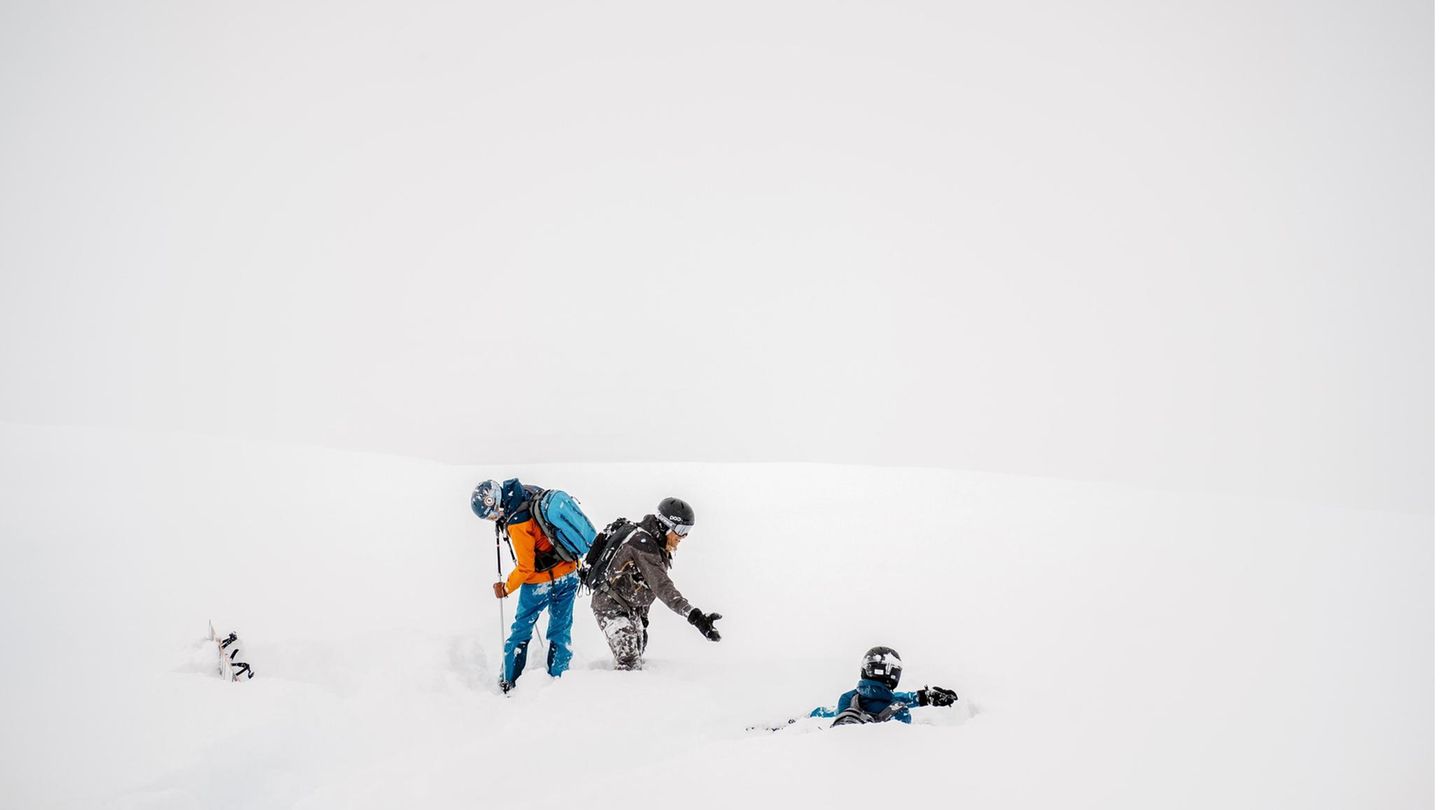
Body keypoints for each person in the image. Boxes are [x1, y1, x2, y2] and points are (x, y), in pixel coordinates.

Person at [472, 478, 580, 693]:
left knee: (521, 630)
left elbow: (526, 567)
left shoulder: (517, 521)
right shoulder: (530, 493)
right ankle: (559, 680)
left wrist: (506, 588)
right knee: (561, 630)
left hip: (540, 583)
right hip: (569, 572)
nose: (495, 519)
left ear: (495, 501)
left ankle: (509, 682)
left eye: (492, 514)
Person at [588, 497, 722, 670]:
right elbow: (662, 586)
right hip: (610, 606)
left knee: (639, 653)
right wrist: (696, 617)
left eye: (687, 530)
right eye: (681, 530)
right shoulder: (643, 545)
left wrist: (643, 618)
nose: (683, 536)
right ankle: (600, 689)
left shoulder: (657, 545)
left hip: (631, 609)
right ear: (665, 525)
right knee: (629, 662)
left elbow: (643, 586)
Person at [809, 646, 958, 726]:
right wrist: (924, 697)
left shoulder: (847, 699)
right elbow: (890, 702)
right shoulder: (900, 711)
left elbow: (877, 696)